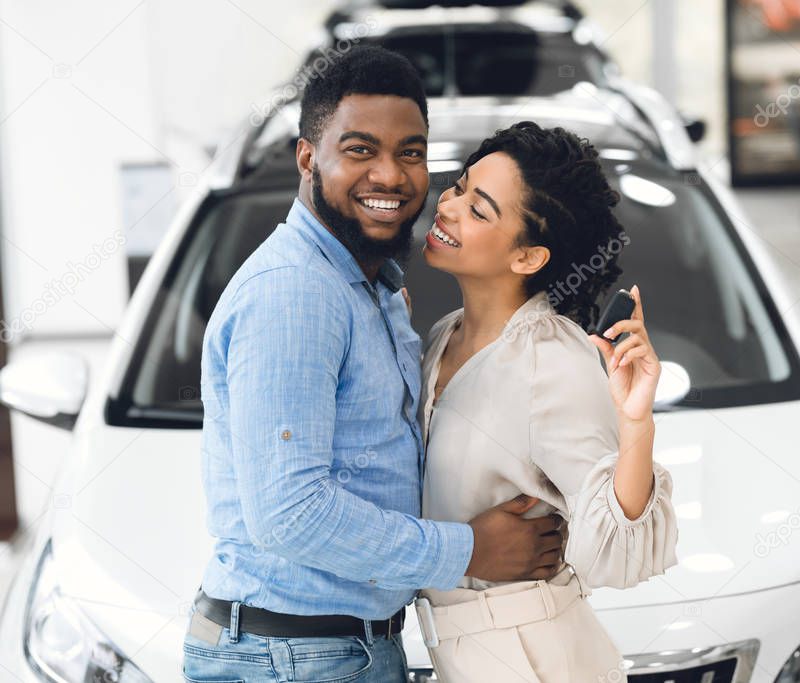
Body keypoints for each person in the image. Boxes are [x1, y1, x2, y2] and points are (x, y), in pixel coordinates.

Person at [183, 47, 566, 683]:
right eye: (360, 149)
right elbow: (289, 513)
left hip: (326, 651)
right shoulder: (296, 293)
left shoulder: (368, 287)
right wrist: (470, 551)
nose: (390, 175)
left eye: (410, 151)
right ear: (308, 158)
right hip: (294, 659)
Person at [417, 122, 679, 682]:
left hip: (535, 659)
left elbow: (617, 542)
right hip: (467, 658)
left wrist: (636, 425)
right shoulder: (444, 336)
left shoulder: (551, 359)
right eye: (460, 186)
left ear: (528, 257)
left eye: (479, 209)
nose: (449, 205)